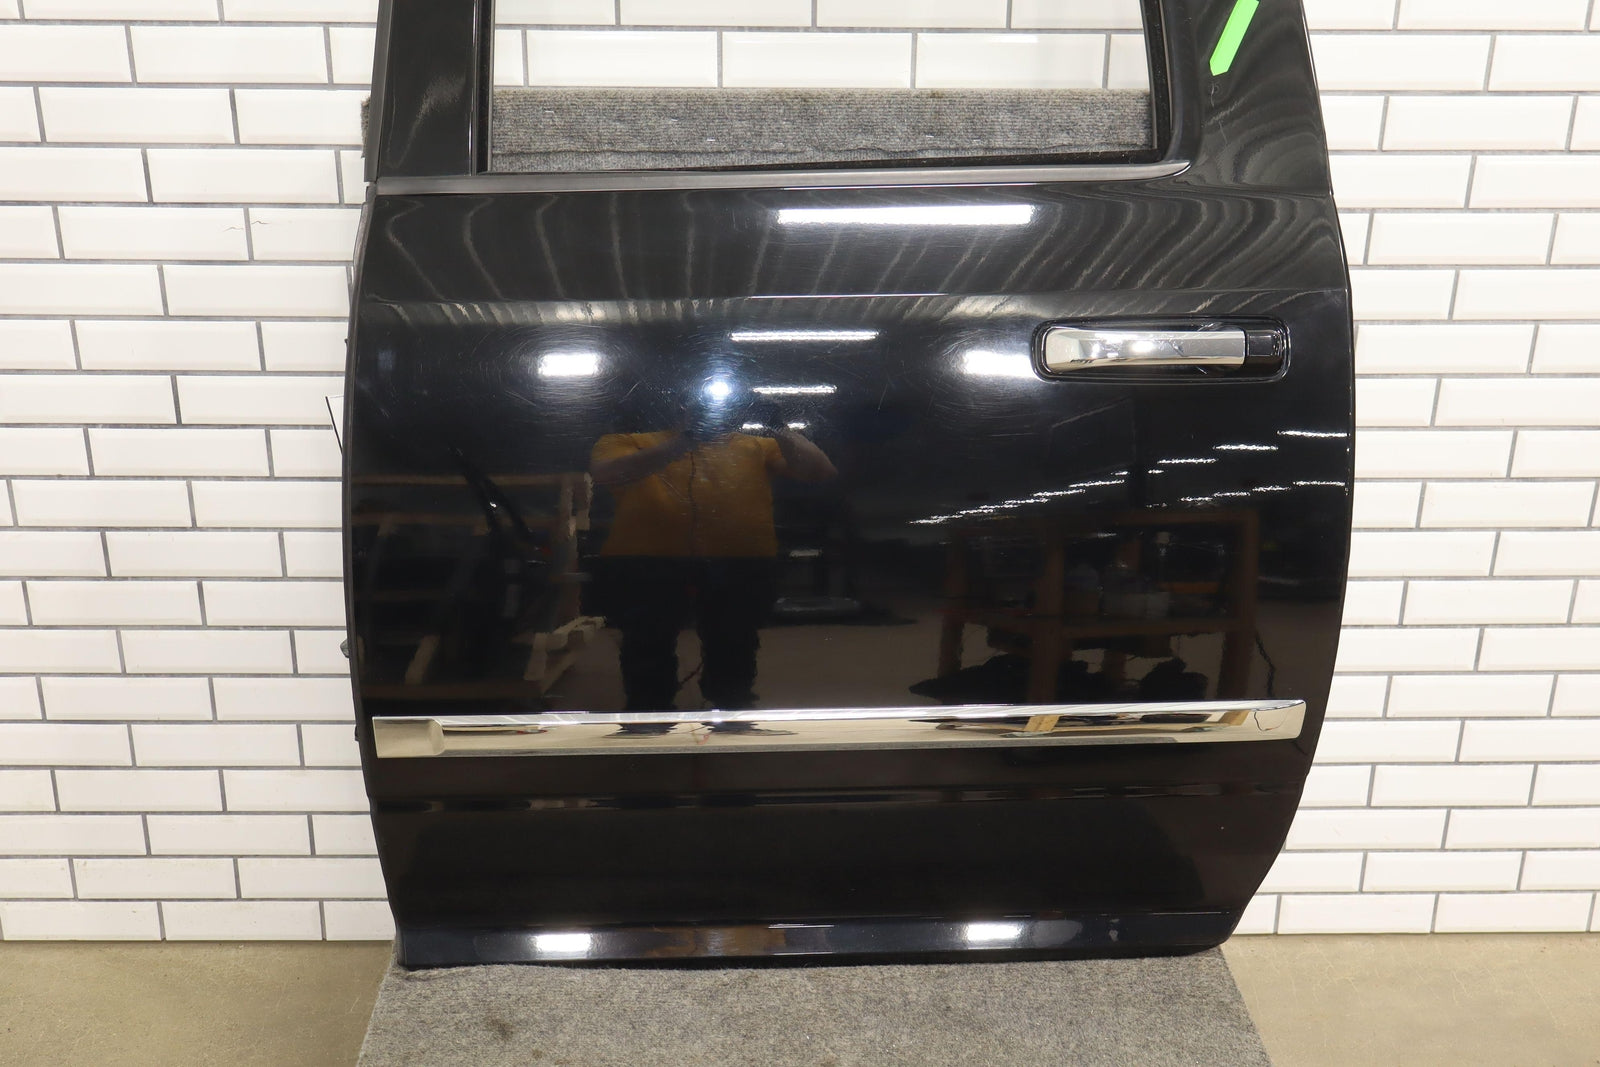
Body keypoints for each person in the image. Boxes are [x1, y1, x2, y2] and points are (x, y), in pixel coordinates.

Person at [590, 393, 837, 731]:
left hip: (739, 558)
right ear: (681, 407)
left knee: (735, 641)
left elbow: (821, 471)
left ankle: (731, 712)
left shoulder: (758, 445)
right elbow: (606, 473)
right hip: (647, 557)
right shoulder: (626, 442)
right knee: (645, 641)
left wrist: (778, 427)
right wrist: (688, 439)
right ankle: (648, 714)